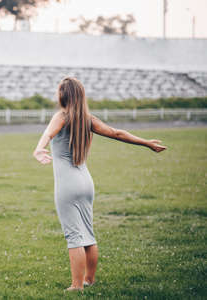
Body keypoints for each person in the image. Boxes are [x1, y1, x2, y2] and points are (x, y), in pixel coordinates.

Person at [32, 77, 167, 292]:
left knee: (74, 236)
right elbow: (116, 133)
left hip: (68, 184)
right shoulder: (88, 119)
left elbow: (47, 134)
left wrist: (38, 149)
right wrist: (147, 143)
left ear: (62, 95)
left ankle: (77, 286)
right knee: (87, 233)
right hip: (86, 182)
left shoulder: (61, 116)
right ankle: (90, 280)